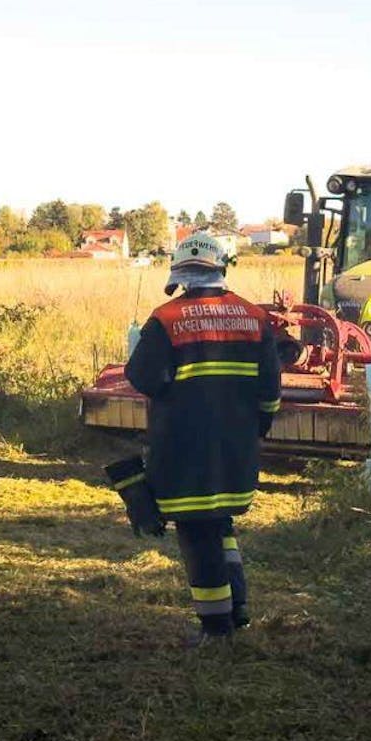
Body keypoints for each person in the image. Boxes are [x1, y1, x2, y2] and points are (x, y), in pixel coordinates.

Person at [123, 232, 282, 647]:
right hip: (237, 447)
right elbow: (270, 389)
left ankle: (216, 630)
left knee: (196, 531)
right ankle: (239, 609)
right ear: (222, 269)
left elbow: (141, 377)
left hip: (183, 449)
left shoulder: (166, 320)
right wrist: (259, 427)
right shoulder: (254, 318)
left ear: (179, 275)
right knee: (220, 523)